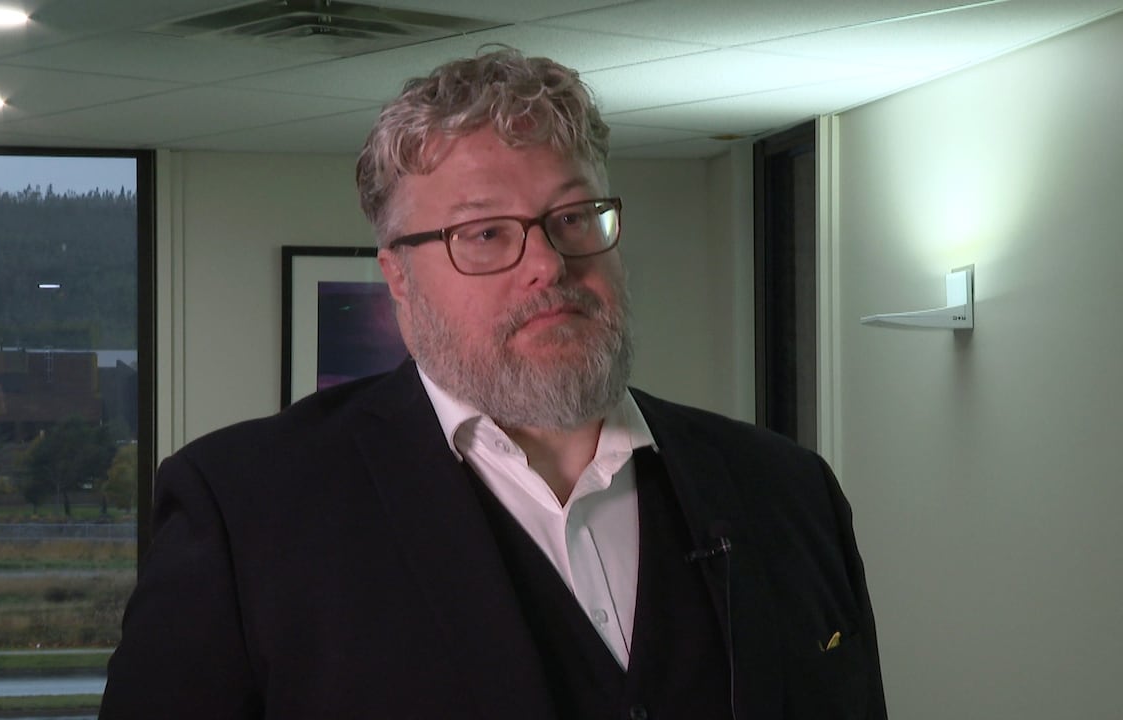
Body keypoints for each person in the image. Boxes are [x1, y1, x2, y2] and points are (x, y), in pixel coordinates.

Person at [100, 48, 886, 720]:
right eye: (484, 233)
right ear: (400, 279)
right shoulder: (247, 510)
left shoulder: (788, 491)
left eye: (575, 218)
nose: (549, 263)